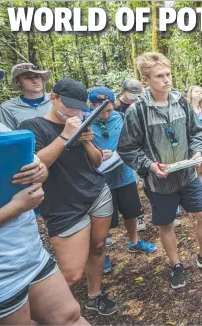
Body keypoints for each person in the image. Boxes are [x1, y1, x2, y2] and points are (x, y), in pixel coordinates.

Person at [118, 52, 202, 290]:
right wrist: (149, 165)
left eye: (168, 74)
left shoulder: (181, 102)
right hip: (159, 182)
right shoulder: (137, 111)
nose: (167, 80)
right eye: (160, 76)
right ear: (146, 80)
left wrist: (199, 152)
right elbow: (127, 148)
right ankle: (176, 265)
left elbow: (196, 133)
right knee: (166, 223)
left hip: (187, 175)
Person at [0, 68, 89, 325]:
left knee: (69, 314)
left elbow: (40, 170)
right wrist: (15, 208)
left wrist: (38, 173)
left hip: (28, 252)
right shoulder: (27, 122)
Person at [19, 78, 119, 316]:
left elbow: (95, 162)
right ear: (53, 98)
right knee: (72, 273)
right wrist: (65, 136)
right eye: (69, 105)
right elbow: (35, 166)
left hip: (96, 192)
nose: (75, 111)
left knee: (98, 246)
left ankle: (95, 295)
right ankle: (45, 315)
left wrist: (86, 142)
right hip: (63, 204)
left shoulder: (82, 122)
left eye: (79, 106)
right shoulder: (32, 126)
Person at [88, 87, 156, 273]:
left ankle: (134, 242)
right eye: (100, 110)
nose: (105, 114)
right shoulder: (84, 124)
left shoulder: (120, 117)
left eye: (109, 110)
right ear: (91, 106)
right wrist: (98, 154)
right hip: (101, 181)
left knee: (131, 211)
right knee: (104, 219)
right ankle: (104, 254)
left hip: (124, 175)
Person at [0, 63, 52, 130]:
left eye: (37, 76)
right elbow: (10, 136)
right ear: (17, 81)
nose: (35, 81)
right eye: (27, 78)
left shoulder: (56, 99)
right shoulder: (8, 107)